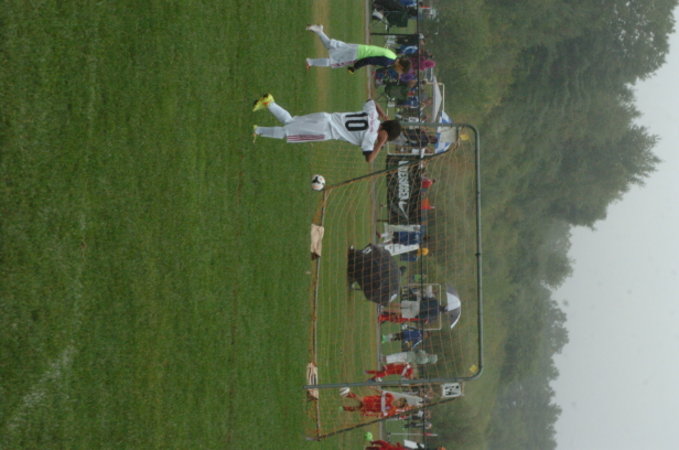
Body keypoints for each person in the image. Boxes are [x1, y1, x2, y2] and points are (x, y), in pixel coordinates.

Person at [252, 94, 401, 163]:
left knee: (291, 121)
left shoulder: (373, 115)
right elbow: (369, 159)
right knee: (288, 133)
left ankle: (269, 103)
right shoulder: (370, 137)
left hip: (325, 117)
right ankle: (257, 130)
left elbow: (370, 100)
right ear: (385, 134)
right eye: (386, 138)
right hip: (324, 131)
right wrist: (380, 143)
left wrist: (383, 115)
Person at [305, 24, 411, 74]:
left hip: (359, 48)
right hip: (357, 55)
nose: (399, 73)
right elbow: (369, 60)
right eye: (401, 72)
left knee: (332, 46)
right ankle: (310, 62)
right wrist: (355, 67)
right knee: (333, 62)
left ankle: (319, 31)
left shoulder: (392, 56)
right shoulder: (388, 61)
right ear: (401, 66)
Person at [342, 390, 410, 417]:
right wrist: (373, 388)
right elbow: (382, 392)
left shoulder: (391, 410)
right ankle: (347, 393)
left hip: (372, 408)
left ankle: (343, 408)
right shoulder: (391, 397)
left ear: (399, 406)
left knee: (357, 408)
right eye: (400, 400)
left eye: (400, 403)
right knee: (360, 399)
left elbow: (380, 414)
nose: (398, 402)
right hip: (371, 400)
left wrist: (370, 414)